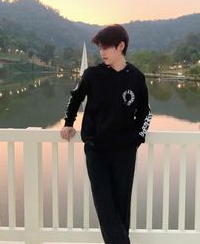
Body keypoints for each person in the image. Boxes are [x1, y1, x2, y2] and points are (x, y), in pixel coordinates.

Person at [60, 24, 152, 244]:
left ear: (121, 46)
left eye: (106, 47)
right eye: (99, 48)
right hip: (96, 151)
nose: (101, 53)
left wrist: (136, 140)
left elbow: (145, 114)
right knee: (104, 206)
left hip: (124, 153)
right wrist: (68, 123)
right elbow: (75, 99)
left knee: (121, 207)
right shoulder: (92, 75)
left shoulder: (136, 78)